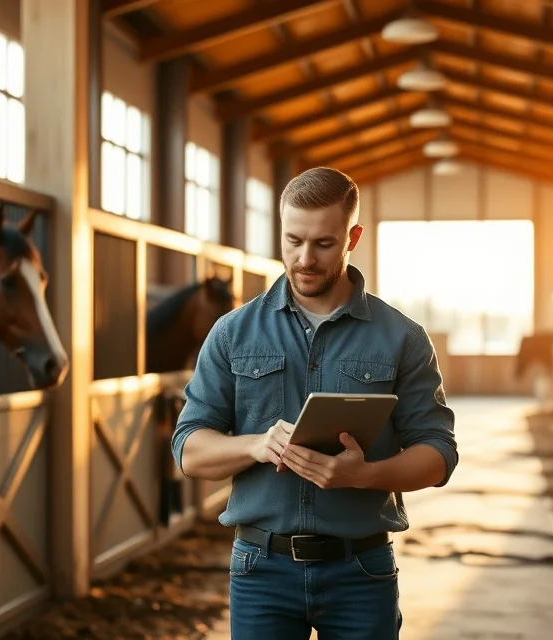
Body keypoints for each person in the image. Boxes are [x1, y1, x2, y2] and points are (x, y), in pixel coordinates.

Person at [171, 166, 458, 639]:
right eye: (292, 240)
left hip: (361, 572)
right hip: (261, 572)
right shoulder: (232, 333)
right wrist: (257, 445)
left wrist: (365, 476)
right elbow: (189, 448)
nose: (305, 258)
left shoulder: (402, 339)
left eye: (324, 243)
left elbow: (439, 453)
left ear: (354, 236)